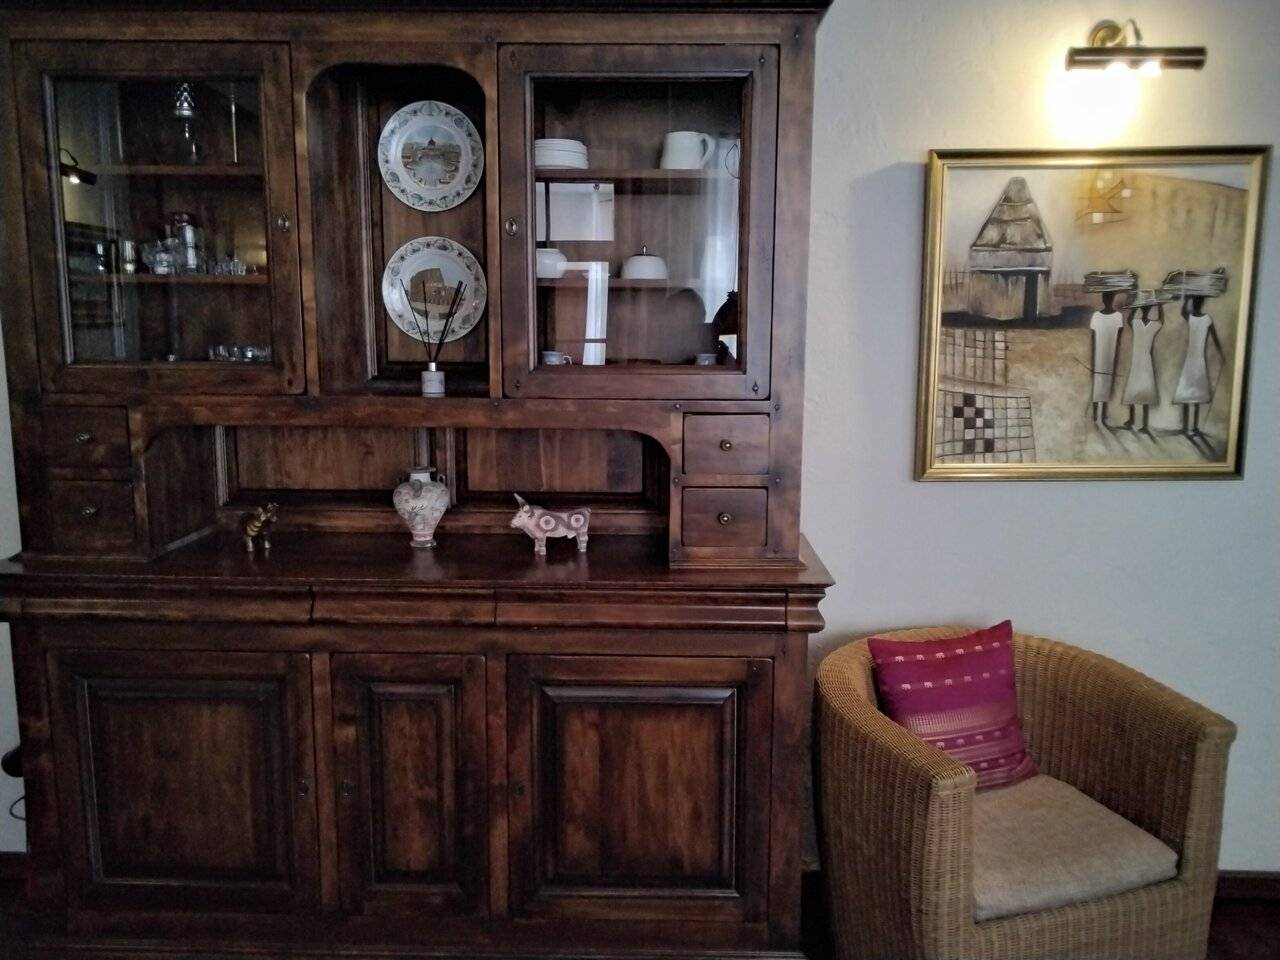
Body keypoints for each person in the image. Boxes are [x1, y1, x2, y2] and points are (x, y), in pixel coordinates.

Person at [1174, 295, 1223, 436]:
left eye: (1194, 302)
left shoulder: (1196, 318)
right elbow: (1215, 338)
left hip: (1194, 359)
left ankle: (1189, 427)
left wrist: (1186, 299)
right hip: (1196, 359)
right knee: (1192, 393)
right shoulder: (1203, 318)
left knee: (1191, 393)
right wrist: (1221, 353)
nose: (1194, 305)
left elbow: (1183, 311)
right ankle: (1191, 427)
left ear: (1196, 303)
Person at [1121, 299, 1163, 432]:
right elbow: (1162, 321)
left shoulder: (1137, 323)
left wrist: (1135, 307)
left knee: (1143, 391)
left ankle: (1135, 421)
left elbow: (1129, 319)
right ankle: (1138, 422)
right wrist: (1160, 306)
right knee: (1136, 390)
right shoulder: (1147, 324)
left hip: (1142, 361)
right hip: (1141, 361)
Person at [1088, 290, 1125, 425]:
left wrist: (1116, 355)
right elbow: (1093, 338)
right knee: (1099, 384)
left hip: (1109, 353)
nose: (1107, 300)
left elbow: (1119, 338)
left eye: (1109, 298)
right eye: (1106, 298)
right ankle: (1096, 415)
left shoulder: (1118, 316)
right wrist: (1093, 357)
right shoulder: (1096, 316)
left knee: (1106, 384)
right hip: (1101, 354)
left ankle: (1102, 415)